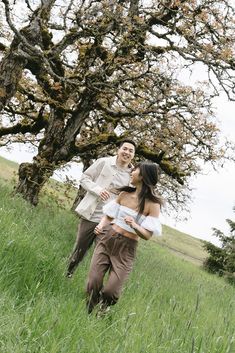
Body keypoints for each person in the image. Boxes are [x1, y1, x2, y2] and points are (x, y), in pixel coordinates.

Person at [86, 162, 163, 314]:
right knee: (93, 282)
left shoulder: (153, 205)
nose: (131, 171)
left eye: (135, 170)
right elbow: (109, 215)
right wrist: (101, 225)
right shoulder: (124, 194)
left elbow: (147, 235)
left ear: (143, 176)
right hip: (108, 239)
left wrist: (135, 225)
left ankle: (103, 311)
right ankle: (88, 312)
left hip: (126, 248)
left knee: (111, 291)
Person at [66, 139, 136, 278]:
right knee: (80, 249)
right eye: (125, 149)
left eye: (131, 151)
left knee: (102, 255)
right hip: (91, 214)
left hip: (111, 221)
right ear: (118, 149)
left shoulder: (132, 175)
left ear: (133, 155)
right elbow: (85, 178)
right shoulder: (103, 162)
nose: (127, 152)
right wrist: (97, 189)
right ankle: (68, 273)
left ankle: (93, 286)